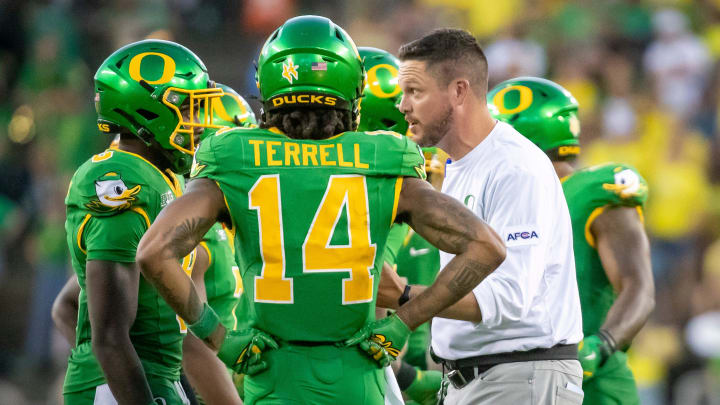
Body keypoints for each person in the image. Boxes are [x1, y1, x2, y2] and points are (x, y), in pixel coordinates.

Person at [135, 16, 505, 405]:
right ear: (350, 85)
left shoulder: (232, 155)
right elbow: (486, 247)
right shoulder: (384, 157)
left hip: (272, 378)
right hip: (358, 378)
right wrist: (403, 323)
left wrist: (217, 337)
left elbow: (154, 251)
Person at [381, 28, 584, 404]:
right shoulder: (458, 166)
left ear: (459, 91)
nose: (402, 105)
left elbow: (508, 299)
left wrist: (405, 296)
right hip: (479, 377)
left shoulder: (514, 166)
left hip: (521, 374)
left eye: (415, 92)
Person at [62, 39, 226, 404]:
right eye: (187, 108)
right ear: (147, 111)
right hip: (117, 386)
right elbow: (109, 336)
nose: (198, 123)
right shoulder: (119, 177)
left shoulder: (161, 175)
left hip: (155, 377)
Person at [489, 76, 655, 405]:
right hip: (521, 381)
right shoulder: (504, 204)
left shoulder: (590, 193)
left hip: (593, 386)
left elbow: (640, 288)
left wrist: (601, 346)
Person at [357, 46, 442, 405]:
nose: (412, 113)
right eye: (405, 106)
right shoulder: (384, 187)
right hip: (354, 370)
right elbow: (371, 286)